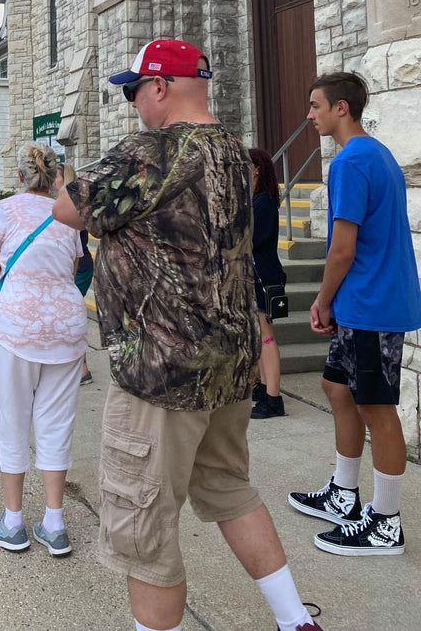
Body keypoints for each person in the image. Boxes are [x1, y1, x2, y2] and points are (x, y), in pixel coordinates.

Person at [52, 40, 324, 631]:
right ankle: (294, 620)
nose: (132, 103)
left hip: (161, 369)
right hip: (228, 359)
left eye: (134, 91)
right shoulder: (233, 150)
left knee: (141, 526)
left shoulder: (153, 151)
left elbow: (68, 210)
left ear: (160, 87)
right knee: (230, 487)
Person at [288, 72, 421, 556]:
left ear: (341, 108)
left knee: (377, 408)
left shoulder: (350, 162)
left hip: (370, 302)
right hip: (367, 300)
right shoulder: (377, 154)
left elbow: (342, 249)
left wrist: (321, 300)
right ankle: (344, 495)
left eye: (315, 105)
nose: (309, 114)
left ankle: (386, 524)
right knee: (337, 387)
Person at [0, 142, 86, 557]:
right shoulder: (67, 213)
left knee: (13, 419)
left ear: (20, 176)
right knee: (57, 422)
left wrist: (14, 282)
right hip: (66, 324)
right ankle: (54, 523)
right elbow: (73, 268)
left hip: (16, 327)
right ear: (54, 175)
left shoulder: (5, 210)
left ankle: (12, 522)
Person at [248, 148, 287, 420]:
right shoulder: (256, 201)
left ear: (257, 169)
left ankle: (274, 398)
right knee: (262, 335)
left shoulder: (262, 203)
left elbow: (248, 240)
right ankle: (264, 387)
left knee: (266, 336)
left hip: (264, 278)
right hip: (258, 276)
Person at [55, 163, 94, 384]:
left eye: (56, 176)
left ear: (65, 178)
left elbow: (75, 245)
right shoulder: (68, 202)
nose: (52, 180)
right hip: (73, 265)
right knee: (66, 314)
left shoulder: (73, 203)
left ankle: (82, 369)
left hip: (78, 266)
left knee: (68, 315)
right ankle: (76, 366)